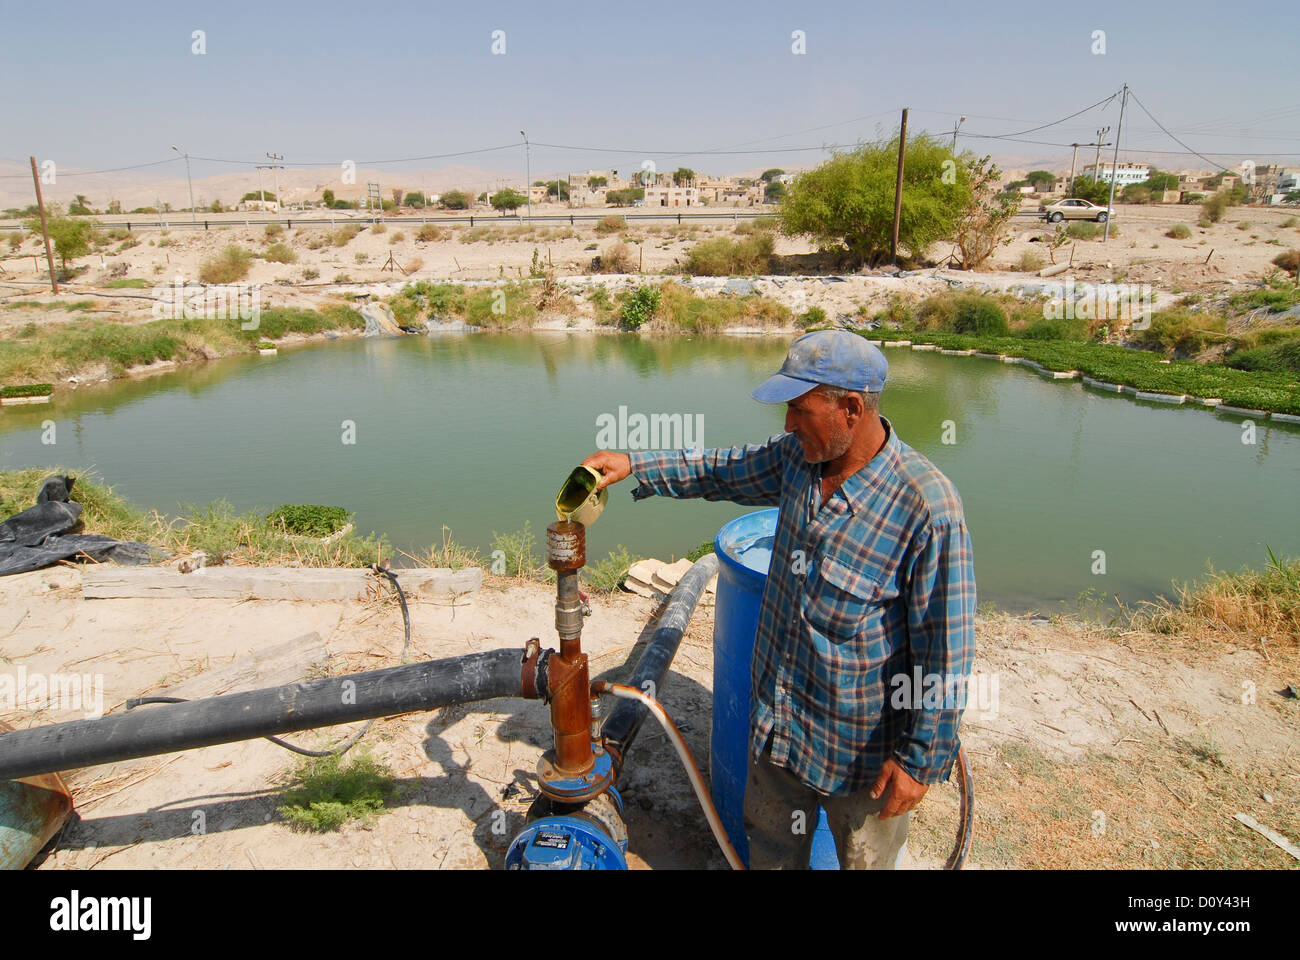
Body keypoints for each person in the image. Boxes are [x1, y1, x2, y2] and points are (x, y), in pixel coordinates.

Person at [582, 329, 976, 870]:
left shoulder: (926, 508)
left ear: (852, 408)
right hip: (777, 733)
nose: (788, 424)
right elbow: (719, 469)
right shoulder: (797, 461)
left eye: (799, 409)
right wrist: (638, 465)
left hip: (860, 760)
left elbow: (946, 652)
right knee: (769, 854)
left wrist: (920, 759)